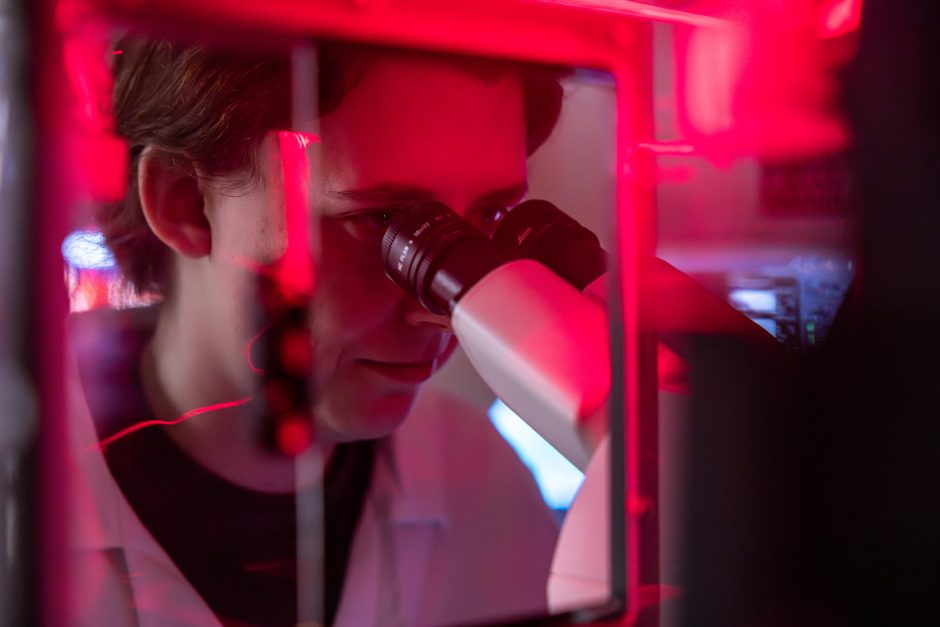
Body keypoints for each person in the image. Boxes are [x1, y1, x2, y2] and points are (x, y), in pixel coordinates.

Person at [67, 35, 565, 626]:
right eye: (386, 223)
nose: (441, 307)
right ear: (185, 203)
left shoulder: (483, 478)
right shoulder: (24, 495)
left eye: (488, 217)